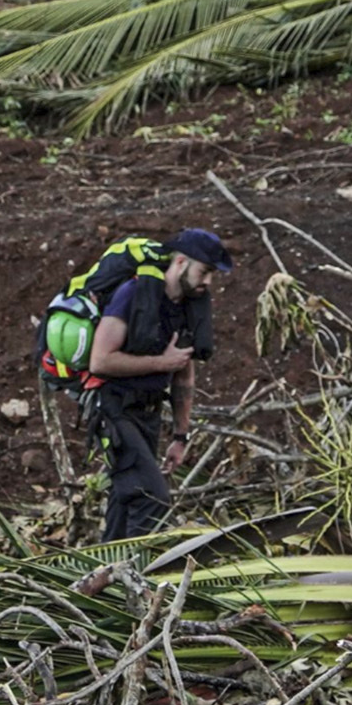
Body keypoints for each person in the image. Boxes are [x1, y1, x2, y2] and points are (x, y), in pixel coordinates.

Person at [80, 226, 232, 542]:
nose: (208, 281)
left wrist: (180, 435)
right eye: (204, 271)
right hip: (113, 409)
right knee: (152, 498)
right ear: (180, 263)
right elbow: (100, 360)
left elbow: (184, 374)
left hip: (148, 414)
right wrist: (161, 363)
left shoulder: (189, 305)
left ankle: (104, 575)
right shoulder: (133, 293)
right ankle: (136, 577)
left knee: (125, 502)